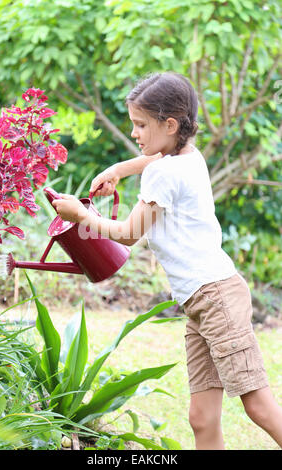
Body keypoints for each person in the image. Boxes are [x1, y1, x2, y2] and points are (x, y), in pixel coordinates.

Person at [52, 72, 282, 450]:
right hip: (204, 300)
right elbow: (154, 160)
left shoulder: (163, 173)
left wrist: (80, 216)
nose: (134, 133)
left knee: (257, 405)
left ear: (169, 124)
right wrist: (117, 170)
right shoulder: (189, 156)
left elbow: (128, 232)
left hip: (215, 298)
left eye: (141, 125)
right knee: (201, 417)